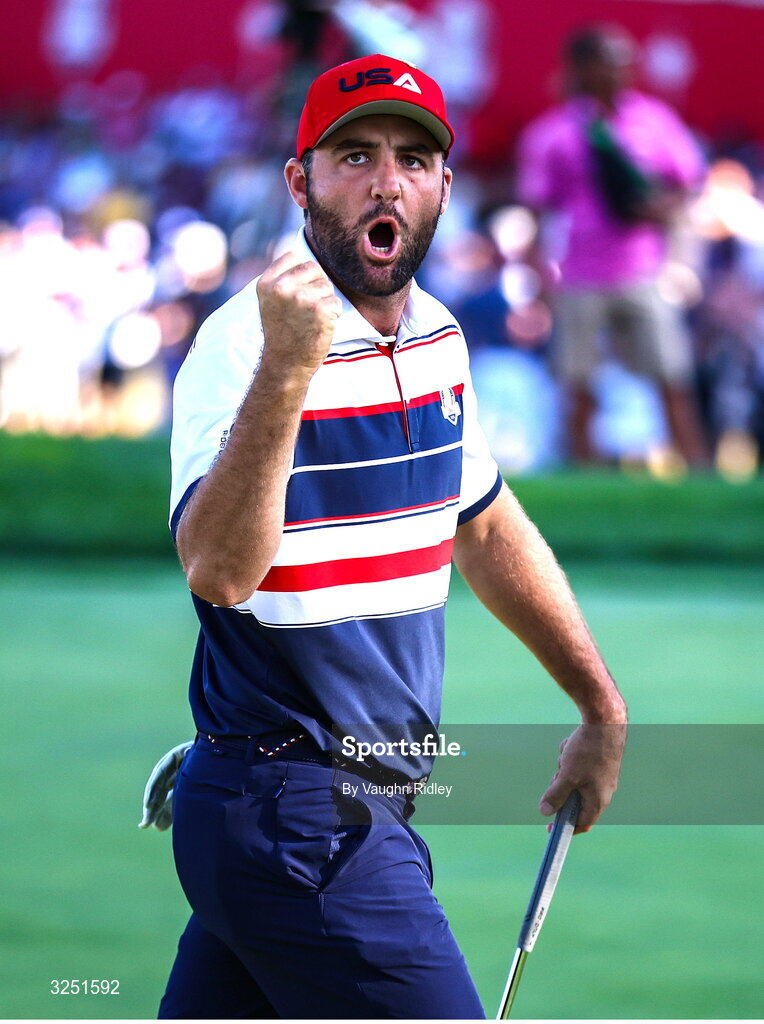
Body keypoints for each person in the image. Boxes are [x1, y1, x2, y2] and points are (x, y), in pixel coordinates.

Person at [148, 53, 627, 1019]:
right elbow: (220, 571)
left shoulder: (440, 336)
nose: (386, 181)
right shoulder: (240, 345)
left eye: (413, 160)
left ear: (444, 186)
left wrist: (597, 703)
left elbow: (484, 526)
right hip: (302, 821)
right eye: (354, 155)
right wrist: (291, 363)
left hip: (316, 814)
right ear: (302, 182)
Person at [516, 24, 709, 466]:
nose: (621, 69)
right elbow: (536, 209)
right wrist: (538, 276)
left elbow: (690, 183)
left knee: (672, 377)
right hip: (580, 275)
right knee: (579, 384)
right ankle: (585, 473)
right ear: (581, 67)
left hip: (644, 270)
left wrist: (662, 208)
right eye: (608, 60)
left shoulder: (653, 120)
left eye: (624, 60)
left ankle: (698, 472)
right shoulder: (556, 132)